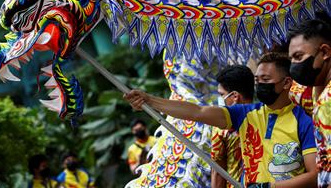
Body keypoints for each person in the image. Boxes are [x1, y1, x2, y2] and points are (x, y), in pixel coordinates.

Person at [124, 52, 317, 188]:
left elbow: (315, 176)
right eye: (257, 81)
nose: (259, 85)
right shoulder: (245, 114)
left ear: (286, 83)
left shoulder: (303, 121)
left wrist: (270, 187)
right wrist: (150, 100)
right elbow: (197, 112)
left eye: (265, 80)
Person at [288, 12, 331, 188]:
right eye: (291, 59)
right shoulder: (321, 94)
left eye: (299, 57)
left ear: (325, 52)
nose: (293, 66)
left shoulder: (327, 102)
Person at [211, 65, 254, 188]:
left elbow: (218, 171)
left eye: (221, 94)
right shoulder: (265, 117)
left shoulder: (222, 128)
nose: (220, 99)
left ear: (235, 96)